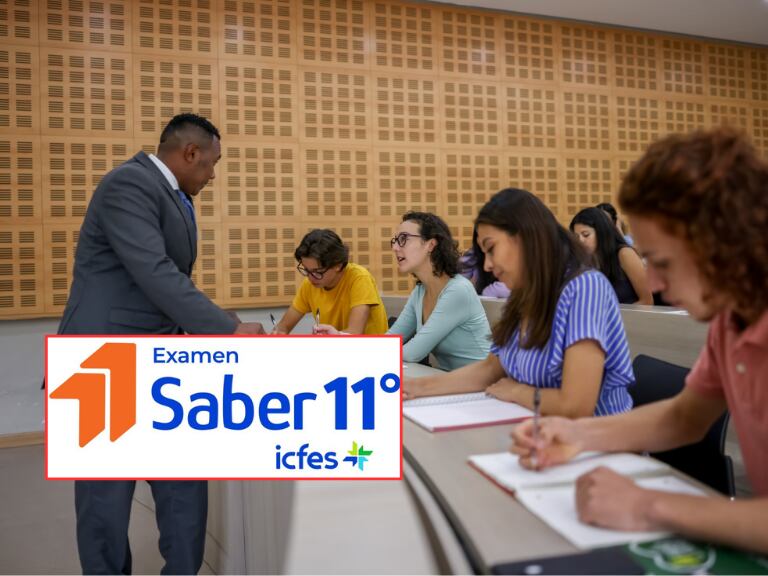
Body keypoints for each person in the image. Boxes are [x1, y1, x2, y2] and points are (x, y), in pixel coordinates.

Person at [511, 128, 768, 553]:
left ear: (728, 241)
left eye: (663, 262)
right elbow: (684, 417)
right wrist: (579, 435)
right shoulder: (730, 321)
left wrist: (650, 505)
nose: (655, 282)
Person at [57, 113, 264, 574]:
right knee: (104, 500)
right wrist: (226, 329)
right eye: (212, 164)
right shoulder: (128, 184)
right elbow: (153, 271)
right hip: (105, 362)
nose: (212, 175)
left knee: (185, 487)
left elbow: (166, 282)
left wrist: (218, 318)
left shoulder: (173, 195)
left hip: (162, 360)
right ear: (189, 153)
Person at [403, 189, 635, 418]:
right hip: (539, 431)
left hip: (596, 444)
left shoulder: (585, 287)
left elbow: (575, 405)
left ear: (525, 237)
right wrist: (419, 387)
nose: (487, 266)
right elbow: (491, 369)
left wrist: (518, 391)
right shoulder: (524, 294)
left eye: (491, 249)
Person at [382, 212, 491, 369]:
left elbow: (414, 353)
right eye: (395, 241)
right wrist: (343, 341)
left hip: (484, 384)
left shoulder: (458, 290)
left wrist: (373, 352)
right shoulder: (420, 291)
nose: (394, 247)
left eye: (403, 239)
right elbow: (391, 339)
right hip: (451, 380)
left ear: (431, 245)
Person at [273, 229, 388, 335]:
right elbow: (283, 327)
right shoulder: (309, 284)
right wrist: (278, 333)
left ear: (337, 265)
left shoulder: (359, 278)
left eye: (317, 272)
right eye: (306, 270)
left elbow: (354, 333)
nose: (310, 278)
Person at [570, 207, 653, 304]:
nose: (580, 241)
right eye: (576, 237)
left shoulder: (624, 254)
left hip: (630, 317)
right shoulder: (584, 261)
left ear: (602, 233)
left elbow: (647, 301)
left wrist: (613, 318)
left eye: (586, 235)